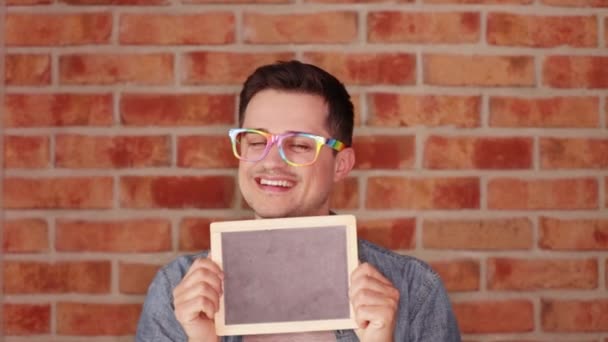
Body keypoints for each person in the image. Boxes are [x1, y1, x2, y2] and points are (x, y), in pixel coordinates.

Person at [136, 60, 461, 342]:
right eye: (256, 140)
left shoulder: (415, 291)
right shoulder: (176, 290)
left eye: (300, 145)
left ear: (341, 164)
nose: (272, 162)